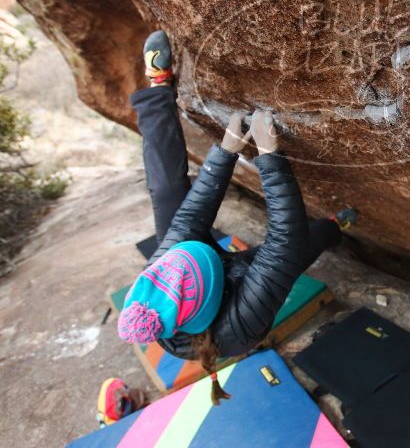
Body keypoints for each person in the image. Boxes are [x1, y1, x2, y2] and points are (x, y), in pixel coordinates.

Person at [117, 30, 357, 404]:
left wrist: (224, 154)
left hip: (197, 276)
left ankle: (158, 86)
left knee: (166, 194)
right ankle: (334, 226)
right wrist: (269, 156)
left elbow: (189, 218)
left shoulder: (160, 278)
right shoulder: (242, 324)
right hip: (232, 292)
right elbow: (283, 241)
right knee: (298, 249)